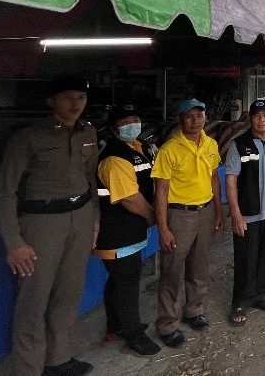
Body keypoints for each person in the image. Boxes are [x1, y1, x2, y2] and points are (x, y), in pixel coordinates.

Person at [0, 76, 99, 376]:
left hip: (80, 217)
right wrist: (14, 242)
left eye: (81, 97)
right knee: (34, 297)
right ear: (51, 101)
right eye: (68, 97)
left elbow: (90, 179)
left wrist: (94, 218)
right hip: (42, 223)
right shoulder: (28, 138)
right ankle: (28, 369)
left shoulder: (88, 132)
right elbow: (4, 192)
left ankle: (59, 359)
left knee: (69, 292)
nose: (76, 104)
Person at [152, 98, 224, 347]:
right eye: (189, 116)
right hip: (179, 215)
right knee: (172, 269)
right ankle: (167, 324)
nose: (195, 121)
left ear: (206, 118)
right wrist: (163, 227)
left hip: (206, 211)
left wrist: (219, 210)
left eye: (199, 116)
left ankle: (193, 310)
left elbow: (214, 179)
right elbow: (161, 191)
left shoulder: (211, 144)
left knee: (199, 265)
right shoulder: (169, 149)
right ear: (180, 120)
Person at [92, 103, 160, 355]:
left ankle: (116, 326)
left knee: (118, 280)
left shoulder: (139, 147)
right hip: (118, 231)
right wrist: (154, 216)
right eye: (124, 123)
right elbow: (129, 198)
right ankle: (134, 336)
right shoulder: (114, 157)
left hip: (130, 230)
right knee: (127, 283)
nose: (132, 125)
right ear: (113, 129)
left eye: (134, 120)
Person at [225, 99, 265, 326]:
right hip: (248, 211)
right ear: (250, 119)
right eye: (257, 116)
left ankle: (262, 294)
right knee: (245, 256)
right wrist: (235, 214)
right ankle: (240, 301)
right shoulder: (239, 144)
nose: (262, 120)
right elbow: (231, 180)